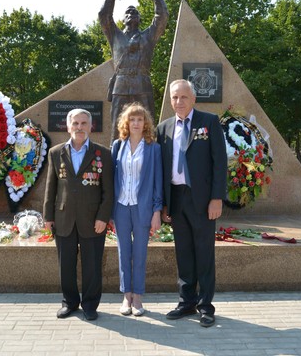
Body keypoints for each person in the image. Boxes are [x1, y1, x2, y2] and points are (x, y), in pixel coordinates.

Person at [156, 79, 228, 328]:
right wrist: (164, 204)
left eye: (183, 97)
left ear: (193, 99)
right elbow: (162, 169)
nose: (178, 102)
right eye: (174, 97)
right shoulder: (163, 128)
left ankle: (205, 306)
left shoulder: (208, 122)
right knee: (183, 253)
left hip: (203, 200)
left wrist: (217, 197)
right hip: (176, 199)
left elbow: (220, 162)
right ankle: (186, 302)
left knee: (204, 254)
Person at [43, 108, 114, 321]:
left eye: (84, 123)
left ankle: (90, 305)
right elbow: (50, 187)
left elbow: (108, 191)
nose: (79, 127)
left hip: (93, 220)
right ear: (68, 126)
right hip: (64, 218)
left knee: (92, 265)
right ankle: (69, 302)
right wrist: (48, 216)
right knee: (66, 264)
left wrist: (103, 217)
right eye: (75, 123)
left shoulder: (103, 153)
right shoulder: (56, 153)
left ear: (90, 126)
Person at [99, 0, 168, 143]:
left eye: (135, 12)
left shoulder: (148, 36)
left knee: (148, 128)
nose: (132, 14)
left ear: (139, 19)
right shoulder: (115, 35)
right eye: (128, 12)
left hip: (142, 85)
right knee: (117, 129)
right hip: (120, 86)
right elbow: (104, 15)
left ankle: (150, 161)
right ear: (123, 19)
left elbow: (162, 17)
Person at [110, 102, 163, 316]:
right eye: (132, 119)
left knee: (140, 253)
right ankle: (126, 296)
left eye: (140, 119)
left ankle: (138, 297)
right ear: (126, 122)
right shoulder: (117, 146)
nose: (136, 123)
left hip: (143, 208)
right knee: (124, 252)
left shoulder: (153, 148)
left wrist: (157, 211)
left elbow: (158, 181)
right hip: (121, 207)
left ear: (145, 123)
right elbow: (112, 179)